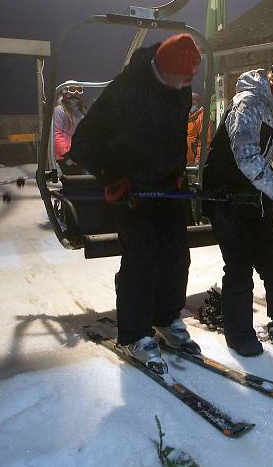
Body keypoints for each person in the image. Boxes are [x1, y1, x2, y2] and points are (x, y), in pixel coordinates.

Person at [67, 33, 201, 370]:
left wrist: (178, 171)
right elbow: (82, 142)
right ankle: (133, 334)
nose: (188, 84)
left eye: (191, 78)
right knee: (140, 261)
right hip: (131, 190)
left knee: (175, 256)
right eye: (183, 78)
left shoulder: (180, 88)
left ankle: (165, 317)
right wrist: (112, 176)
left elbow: (172, 135)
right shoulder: (125, 90)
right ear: (165, 70)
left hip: (166, 188)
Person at [201, 50, 273, 357]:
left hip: (250, 194)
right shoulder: (248, 103)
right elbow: (247, 156)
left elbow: (259, 161)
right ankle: (239, 335)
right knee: (238, 264)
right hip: (224, 194)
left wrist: (270, 193)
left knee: (269, 256)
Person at [53, 85, 87, 175]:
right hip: (66, 156)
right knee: (76, 180)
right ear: (66, 92)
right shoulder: (60, 111)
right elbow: (56, 133)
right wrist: (66, 154)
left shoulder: (81, 112)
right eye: (72, 89)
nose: (76, 92)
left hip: (80, 155)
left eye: (79, 90)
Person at [186, 92, 211, 166]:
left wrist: (198, 160)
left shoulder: (202, 116)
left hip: (194, 163)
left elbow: (205, 141)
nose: (191, 102)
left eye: (194, 100)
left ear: (198, 102)